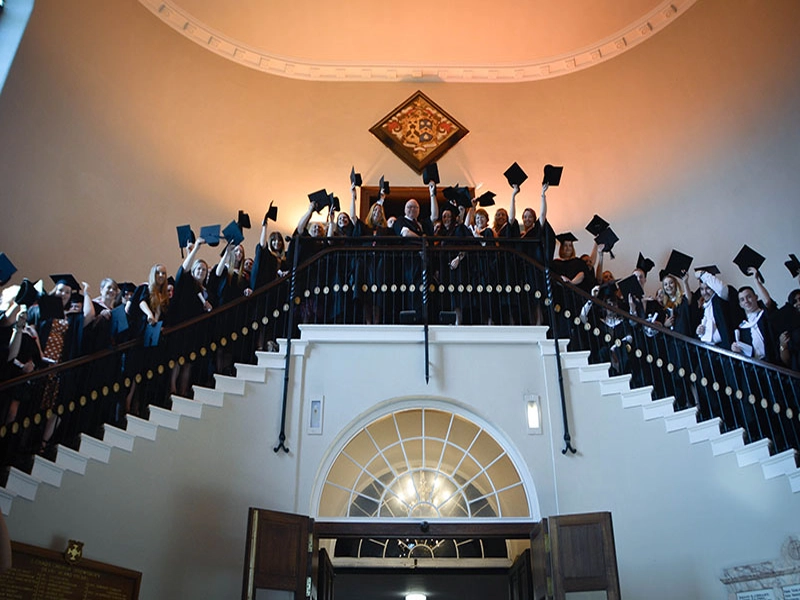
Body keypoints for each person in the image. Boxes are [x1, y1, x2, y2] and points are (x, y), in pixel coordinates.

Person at [730, 267, 778, 363]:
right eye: (742, 299)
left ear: (756, 297)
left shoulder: (764, 315)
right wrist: (735, 348)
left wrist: (756, 280)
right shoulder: (743, 327)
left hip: (773, 363)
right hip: (757, 367)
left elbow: (767, 301)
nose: (746, 301)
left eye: (749, 297)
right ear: (740, 304)